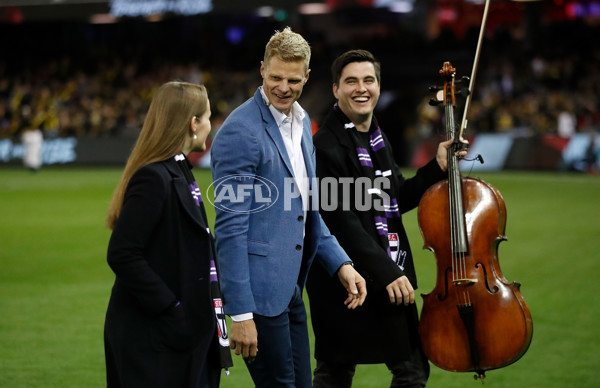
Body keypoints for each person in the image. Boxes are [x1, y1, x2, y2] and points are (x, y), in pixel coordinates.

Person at [210, 28, 367, 388]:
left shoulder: (299, 124)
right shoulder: (239, 132)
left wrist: (341, 263)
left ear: (307, 77)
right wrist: (241, 313)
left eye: (293, 80)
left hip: (291, 290)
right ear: (262, 69)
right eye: (275, 77)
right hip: (259, 299)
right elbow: (230, 230)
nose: (283, 87)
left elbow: (307, 212)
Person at [306, 49, 466, 388]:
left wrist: (436, 166)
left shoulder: (376, 136)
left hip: (385, 270)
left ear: (378, 86)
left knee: (405, 369)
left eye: (368, 80)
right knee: (340, 370)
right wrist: (387, 272)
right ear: (336, 89)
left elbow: (394, 199)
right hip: (346, 282)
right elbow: (340, 221)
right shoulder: (325, 145)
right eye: (351, 81)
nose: (361, 88)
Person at [104, 81, 232, 388]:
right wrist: (172, 308)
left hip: (175, 334)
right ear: (193, 123)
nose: (210, 127)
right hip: (153, 339)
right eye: (208, 118)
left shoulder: (178, 170)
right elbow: (122, 253)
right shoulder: (154, 177)